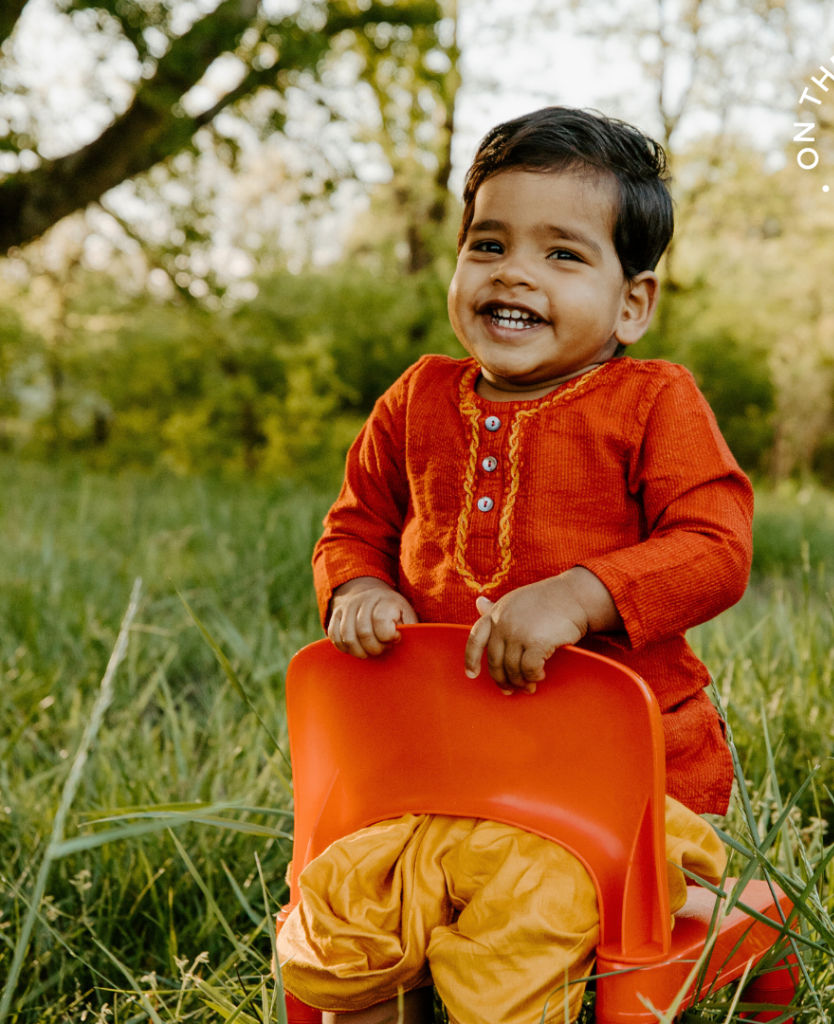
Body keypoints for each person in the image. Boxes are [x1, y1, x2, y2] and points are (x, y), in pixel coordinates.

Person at [277, 106, 754, 1024]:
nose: (515, 273)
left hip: (614, 799)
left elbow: (717, 547)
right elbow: (353, 527)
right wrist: (360, 586)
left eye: (563, 255)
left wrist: (584, 596)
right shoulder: (416, 399)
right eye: (488, 244)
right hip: (429, 774)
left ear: (631, 303)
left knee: (520, 922)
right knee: (343, 911)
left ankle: (602, 938)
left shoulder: (653, 402)